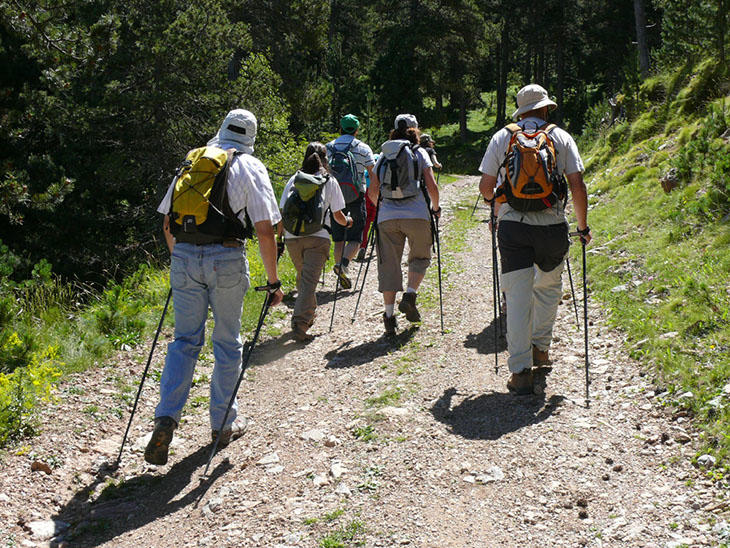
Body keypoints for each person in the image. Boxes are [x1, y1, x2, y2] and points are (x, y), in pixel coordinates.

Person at [145, 109, 284, 465]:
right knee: (226, 341)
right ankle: (223, 423)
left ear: (220, 129)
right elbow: (266, 230)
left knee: (185, 341)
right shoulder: (251, 167)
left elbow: (166, 224)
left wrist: (183, 260)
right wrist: (273, 281)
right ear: (252, 137)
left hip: (185, 258)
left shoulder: (192, 161)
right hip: (226, 259)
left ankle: (166, 417)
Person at [478, 84, 591, 395]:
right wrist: (581, 228)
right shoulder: (561, 137)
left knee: (516, 297)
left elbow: (486, 188)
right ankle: (541, 348)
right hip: (553, 227)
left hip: (513, 227)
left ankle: (520, 371)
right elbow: (577, 186)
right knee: (548, 288)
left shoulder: (503, 137)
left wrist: (499, 202)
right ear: (545, 109)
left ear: (521, 110)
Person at [368, 114, 440, 335]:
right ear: (415, 130)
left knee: (388, 265)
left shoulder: (382, 156)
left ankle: (389, 317)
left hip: (387, 217)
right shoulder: (419, 153)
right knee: (420, 257)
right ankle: (409, 295)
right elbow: (432, 186)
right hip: (417, 214)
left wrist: (381, 207)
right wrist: (435, 209)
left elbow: (372, 191)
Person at [279, 142, 353, 342]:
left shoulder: (294, 179)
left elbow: (282, 211)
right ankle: (300, 323)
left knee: (304, 278)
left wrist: (280, 237)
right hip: (318, 237)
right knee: (309, 282)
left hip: (293, 237)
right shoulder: (329, 180)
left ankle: (308, 314)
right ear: (325, 158)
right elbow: (337, 215)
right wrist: (347, 222)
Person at [326, 114, 379, 289]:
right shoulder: (363, 148)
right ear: (356, 130)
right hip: (356, 196)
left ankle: (341, 273)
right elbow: (373, 175)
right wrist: (375, 200)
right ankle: (344, 266)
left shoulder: (329, 147)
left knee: (339, 238)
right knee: (356, 237)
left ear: (340, 128)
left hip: (334, 198)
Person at [356, 152, 379, 262]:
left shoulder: (366, 172)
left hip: (366, 196)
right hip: (378, 197)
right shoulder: (382, 172)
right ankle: (381, 247)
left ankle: (363, 246)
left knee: (365, 225)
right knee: (380, 223)